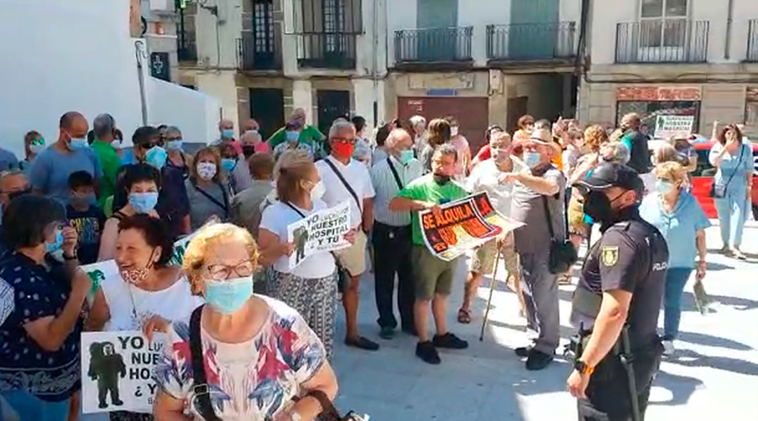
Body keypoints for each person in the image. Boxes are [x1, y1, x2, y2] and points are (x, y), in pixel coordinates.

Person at [152, 223, 338, 421]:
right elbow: (166, 411)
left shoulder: (285, 325)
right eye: (220, 269)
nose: (233, 278)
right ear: (196, 280)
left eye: (243, 268)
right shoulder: (183, 335)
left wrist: (294, 417)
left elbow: (326, 385)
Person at [567, 162, 669, 421]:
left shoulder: (620, 240)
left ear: (630, 197)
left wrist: (585, 365)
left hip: (612, 364)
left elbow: (614, 311)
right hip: (636, 356)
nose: (592, 199)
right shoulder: (649, 234)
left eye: (602, 193)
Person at [0, 195, 91, 421]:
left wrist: (70, 253)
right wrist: (79, 294)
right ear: (39, 229)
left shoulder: (45, 260)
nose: (65, 229)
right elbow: (51, 339)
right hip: (37, 390)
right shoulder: (20, 278)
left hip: (61, 381)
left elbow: (72, 278)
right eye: (59, 225)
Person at [258, 150, 349, 359]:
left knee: (322, 341)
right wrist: (282, 248)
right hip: (291, 283)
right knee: (290, 342)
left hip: (325, 281)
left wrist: (342, 237)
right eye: (316, 176)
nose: (320, 180)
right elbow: (262, 256)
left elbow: (328, 242)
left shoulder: (321, 206)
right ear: (304, 183)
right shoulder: (274, 213)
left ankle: (318, 384)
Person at [389, 144, 470, 364]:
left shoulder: (458, 190)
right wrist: (421, 204)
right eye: (437, 162)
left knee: (442, 294)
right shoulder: (420, 185)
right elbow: (395, 204)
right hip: (425, 249)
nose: (440, 167)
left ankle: (442, 334)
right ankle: (423, 341)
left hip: (449, 250)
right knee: (424, 296)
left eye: (446, 163)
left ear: (455, 166)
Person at [315, 120, 379, 351]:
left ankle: (352, 331)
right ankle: (318, 335)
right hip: (325, 239)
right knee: (323, 288)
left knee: (352, 284)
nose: (349, 145)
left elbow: (367, 199)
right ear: (332, 142)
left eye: (353, 141)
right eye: (344, 141)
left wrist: (365, 227)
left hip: (354, 236)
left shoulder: (360, 169)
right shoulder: (318, 169)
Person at [506, 128, 566, 371]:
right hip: (523, 245)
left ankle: (547, 346)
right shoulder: (523, 172)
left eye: (535, 147)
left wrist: (520, 178)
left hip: (546, 248)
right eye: (527, 147)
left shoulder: (554, 174)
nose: (529, 151)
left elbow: (550, 189)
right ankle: (534, 338)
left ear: (548, 152)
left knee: (545, 298)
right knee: (528, 295)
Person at [640, 161, 709, 356]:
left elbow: (700, 234)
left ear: (678, 182)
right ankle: (645, 335)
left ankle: (669, 337)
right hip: (652, 260)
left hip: (681, 262)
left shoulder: (691, 203)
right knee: (649, 299)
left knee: (672, 299)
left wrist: (702, 261)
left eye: (666, 180)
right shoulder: (650, 201)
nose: (660, 183)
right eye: (659, 179)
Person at [459, 132, 525, 323]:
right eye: (494, 146)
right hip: (488, 229)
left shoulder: (522, 169)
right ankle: (466, 307)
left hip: (515, 229)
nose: (498, 150)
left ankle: (526, 308)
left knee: (518, 272)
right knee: (478, 271)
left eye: (502, 145)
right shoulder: (481, 169)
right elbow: (469, 196)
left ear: (511, 146)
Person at [369, 128, 423, 339]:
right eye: (404, 146)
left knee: (409, 279)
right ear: (392, 148)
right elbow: (369, 200)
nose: (409, 149)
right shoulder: (378, 171)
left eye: (411, 145)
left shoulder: (417, 166)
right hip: (386, 230)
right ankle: (386, 322)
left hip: (410, 229)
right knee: (384, 279)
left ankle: (409, 321)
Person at [113, 126, 191, 239]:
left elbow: (184, 209)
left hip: (173, 237)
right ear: (137, 150)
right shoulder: (126, 176)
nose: (155, 149)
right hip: (142, 238)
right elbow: (119, 210)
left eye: (158, 144)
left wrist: (187, 236)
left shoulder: (174, 174)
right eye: (148, 146)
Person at [30, 111, 103, 205]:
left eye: (84, 136)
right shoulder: (45, 159)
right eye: (78, 136)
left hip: (89, 216)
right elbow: (36, 193)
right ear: (63, 132)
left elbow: (97, 185)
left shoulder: (90, 154)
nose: (82, 139)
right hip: (58, 216)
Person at [98, 164, 161, 261]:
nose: (144, 196)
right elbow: (105, 263)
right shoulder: (114, 224)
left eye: (150, 190)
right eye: (138, 191)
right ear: (128, 191)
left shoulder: (153, 214)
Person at [709, 124, 753, 259]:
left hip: (739, 184)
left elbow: (749, 168)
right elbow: (714, 162)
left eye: (733, 133)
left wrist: (749, 186)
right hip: (721, 184)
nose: (730, 136)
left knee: (738, 215)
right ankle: (726, 244)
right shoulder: (718, 147)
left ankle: (736, 245)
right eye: (728, 133)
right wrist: (725, 149)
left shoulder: (745, 149)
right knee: (723, 216)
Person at [230, 153, 275, 240]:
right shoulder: (281, 196)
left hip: (247, 245)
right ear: (273, 171)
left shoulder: (239, 198)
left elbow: (234, 226)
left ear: (250, 171)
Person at [185, 147, 232, 230]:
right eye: (203, 161)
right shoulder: (187, 187)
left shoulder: (223, 186)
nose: (207, 165)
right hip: (196, 237)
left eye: (211, 162)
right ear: (195, 165)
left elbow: (229, 212)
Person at [66, 171, 106, 264]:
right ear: (72, 192)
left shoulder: (97, 212)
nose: (87, 195)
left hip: (95, 259)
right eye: (83, 191)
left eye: (90, 191)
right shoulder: (66, 213)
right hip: (75, 259)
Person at [89, 114, 122, 208]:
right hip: (105, 206)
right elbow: (119, 183)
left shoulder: (86, 151)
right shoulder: (110, 156)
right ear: (113, 131)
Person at [618, 113, 654, 189]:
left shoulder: (628, 138)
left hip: (631, 174)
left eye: (625, 122)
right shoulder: (642, 136)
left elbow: (622, 156)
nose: (622, 124)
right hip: (643, 173)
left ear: (632, 124)